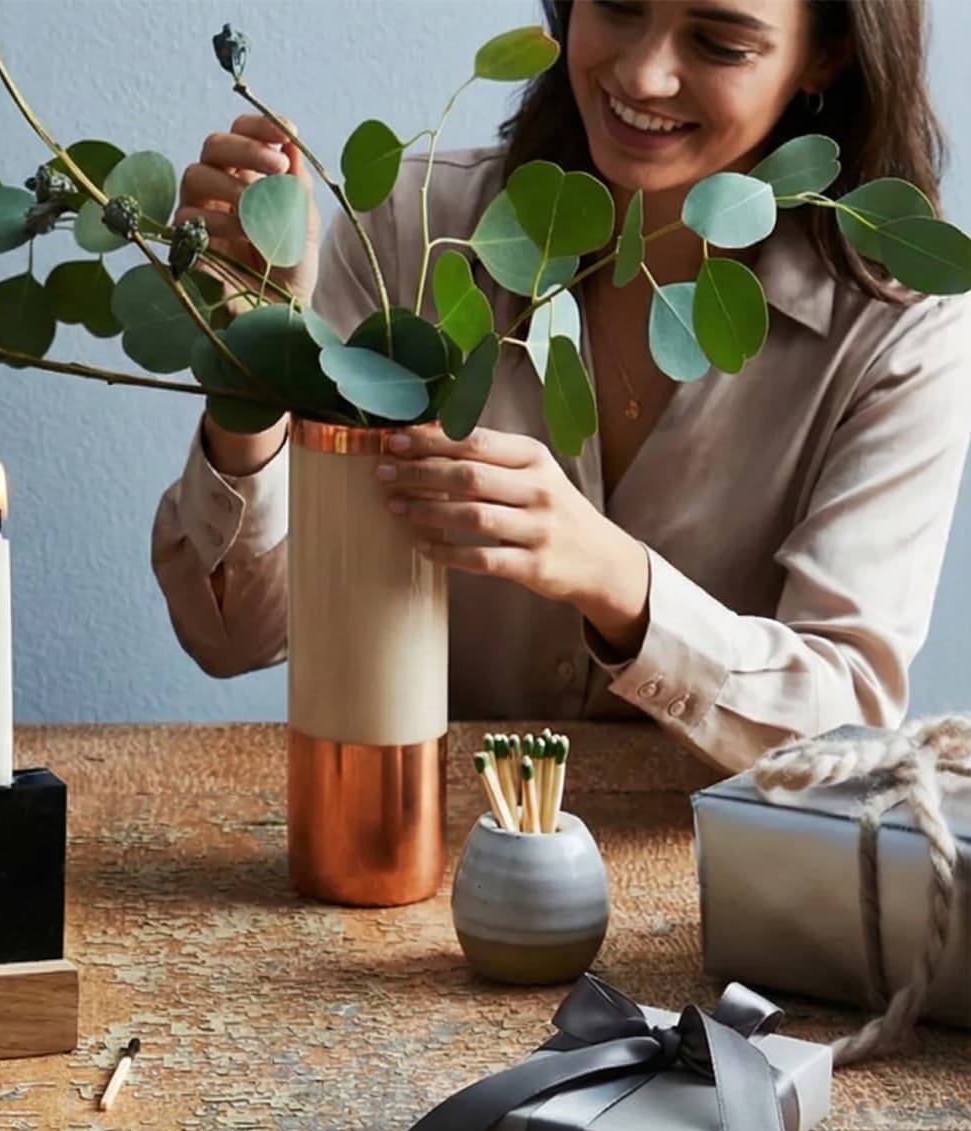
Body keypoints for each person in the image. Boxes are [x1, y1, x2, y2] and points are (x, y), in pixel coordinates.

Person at [153, 0, 971, 773]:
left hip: (716, 863)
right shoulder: (417, 230)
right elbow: (232, 638)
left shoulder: (900, 331)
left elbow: (846, 721)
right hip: (423, 842)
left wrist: (613, 577)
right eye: (617, 4)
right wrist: (253, 366)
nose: (643, 75)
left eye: (719, 43)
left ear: (827, 56)